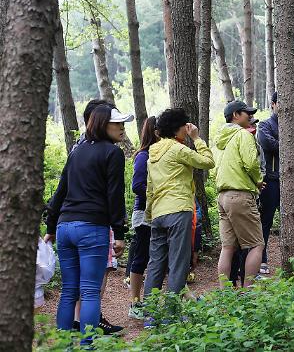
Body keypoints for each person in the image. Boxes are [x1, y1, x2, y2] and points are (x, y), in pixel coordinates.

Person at [44, 105, 132, 343]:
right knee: (90, 290)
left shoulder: (77, 151)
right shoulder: (112, 153)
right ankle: (87, 346)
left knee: (69, 290)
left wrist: (51, 227)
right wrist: (120, 232)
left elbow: (60, 192)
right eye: (118, 124)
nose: (122, 128)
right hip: (91, 227)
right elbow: (114, 195)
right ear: (103, 125)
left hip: (65, 228)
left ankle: (64, 345)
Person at [143, 109, 215, 307]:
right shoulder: (178, 149)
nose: (188, 128)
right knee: (178, 263)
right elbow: (208, 162)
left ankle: (150, 312)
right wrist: (197, 138)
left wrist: (150, 214)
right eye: (185, 125)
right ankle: (171, 312)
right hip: (178, 211)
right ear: (178, 128)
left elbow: (150, 188)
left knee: (156, 263)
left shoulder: (152, 155)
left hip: (158, 214)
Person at [214, 100, 265, 288]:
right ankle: (248, 295)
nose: (250, 116)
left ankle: (224, 295)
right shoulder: (243, 135)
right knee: (256, 245)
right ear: (235, 115)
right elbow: (251, 163)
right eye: (246, 113)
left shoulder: (221, 140)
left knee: (227, 247)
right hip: (240, 194)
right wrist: (258, 180)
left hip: (223, 196)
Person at [125, 116, 159, 320]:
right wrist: (159, 194)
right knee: (141, 258)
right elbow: (137, 186)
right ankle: (135, 303)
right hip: (144, 215)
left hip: (158, 213)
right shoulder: (143, 156)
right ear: (155, 132)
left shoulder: (157, 154)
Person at [256, 92, 280, 275]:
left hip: (288, 180)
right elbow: (268, 144)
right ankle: (262, 259)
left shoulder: (292, 123)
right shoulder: (265, 124)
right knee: (265, 221)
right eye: (280, 103)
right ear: (273, 104)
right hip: (270, 180)